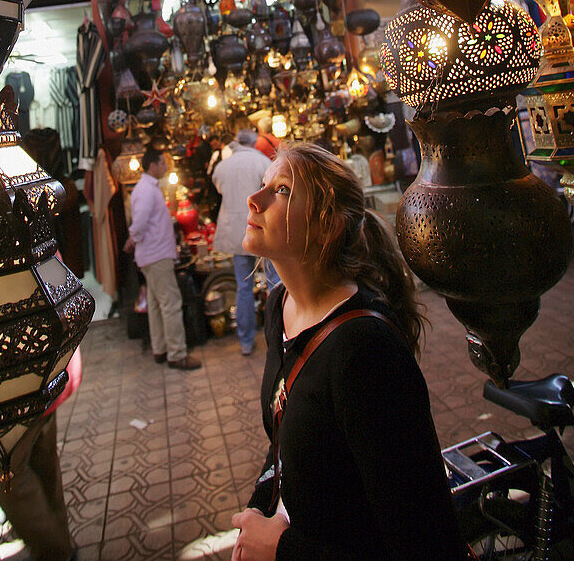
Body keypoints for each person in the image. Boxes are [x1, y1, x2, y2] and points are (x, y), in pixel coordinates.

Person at [231, 143, 471, 561]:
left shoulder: (363, 351)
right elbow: (283, 444)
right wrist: (260, 506)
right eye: (263, 185)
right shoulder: (278, 308)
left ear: (327, 227)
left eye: (282, 190)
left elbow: (424, 541)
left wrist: (282, 549)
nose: (255, 199)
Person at [0, 330, 82, 561]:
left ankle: (55, 553)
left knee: (5, 477)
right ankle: (62, 550)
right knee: (41, 465)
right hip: (47, 365)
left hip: (25, 377)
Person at [123, 147, 201, 370]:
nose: (166, 167)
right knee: (170, 303)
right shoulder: (147, 191)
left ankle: (160, 349)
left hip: (151, 255)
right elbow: (139, 223)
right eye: (163, 163)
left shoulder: (146, 189)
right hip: (156, 255)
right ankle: (177, 354)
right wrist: (132, 239)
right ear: (153, 165)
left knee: (157, 304)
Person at [211, 130, 269, 355]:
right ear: (254, 142)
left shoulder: (223, 166)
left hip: (237, 233)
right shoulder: (261, 161)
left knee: (243, 287)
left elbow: (219, 188)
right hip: (262, 230)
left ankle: (246, 342)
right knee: (274, 283)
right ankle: (277, 340)